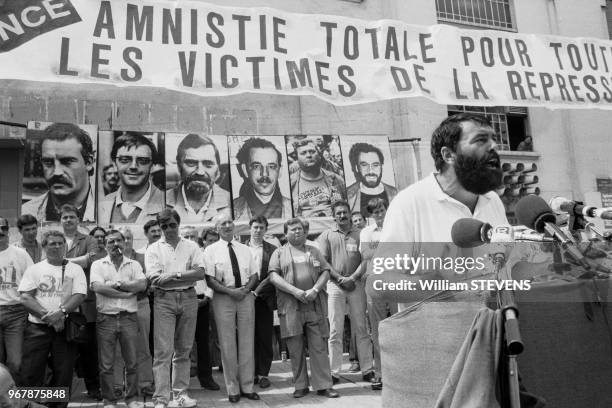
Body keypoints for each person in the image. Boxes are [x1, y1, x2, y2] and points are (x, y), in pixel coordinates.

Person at [367, 113, 508, 305]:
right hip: (438, 333)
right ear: (448, 155)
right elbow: (380, 283)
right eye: (481, 140)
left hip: (496, 329)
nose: (494, 147)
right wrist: (447, 290)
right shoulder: (409, 203)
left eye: (494, 140)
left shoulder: (492, 200)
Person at [268, 218, 339, 399]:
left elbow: (325, 271)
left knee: (319, 346)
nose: (297, 232)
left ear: (305, 232)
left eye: (300, 229)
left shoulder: (314, 250)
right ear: (285, 234)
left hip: (313, 304)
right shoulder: (278, 253)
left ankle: (323, 385)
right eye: (293, 230)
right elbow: (273, 277)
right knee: (295, 347)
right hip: (291, 306)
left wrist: (315, 290)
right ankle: (300, 385)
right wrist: (295, 291)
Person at [19, 231, 87, 408]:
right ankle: (32, 405)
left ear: (65, 245)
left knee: (63, 373)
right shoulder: (35, 269)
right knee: (31, 372)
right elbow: (25, 297)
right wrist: (48, 317)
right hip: (37, 329)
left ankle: (56, 406)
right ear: (44, 247)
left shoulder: (75, 269)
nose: (57, 246)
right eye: (52, 243)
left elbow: (79, 295)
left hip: (65, 328)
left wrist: (61, 312)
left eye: (60, 243)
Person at [145, 209, 204, 408]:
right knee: (163, 352)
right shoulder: (154, 249)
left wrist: (173, 276)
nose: (169, 229)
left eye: (172, 225)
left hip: (188, 297)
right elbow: (154, 278)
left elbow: (200, 273)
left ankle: (180, 395)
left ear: (178, 224)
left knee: (184, 350)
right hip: (164, 300)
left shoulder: (191, 245)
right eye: (164, 226)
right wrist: (184, 274)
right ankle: (161, 398)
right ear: (160, 228)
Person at [203, 212, 259, 403]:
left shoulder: (245, 249)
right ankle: (233, 389)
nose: (227, 225)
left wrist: (245, 291)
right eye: (223, 223)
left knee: (246, 341)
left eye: (229, 222)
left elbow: (254, 275)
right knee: (227, 343)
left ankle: (248, 386)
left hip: (245, 295)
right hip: (223, 297)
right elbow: (209, 279)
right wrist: (230, 292)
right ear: (217, 228)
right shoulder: (210, 251)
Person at [317, 201, 374, 384]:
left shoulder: (360, 234)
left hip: (356, 285)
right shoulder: (326, 235)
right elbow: (323, 262)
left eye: (345, 212)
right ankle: (334, 372)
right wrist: (340, 279)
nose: (342, 216)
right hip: (335, 286)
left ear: (350, 214)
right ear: (334, 216)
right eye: (338, 213)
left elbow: (366, 259)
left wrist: (353, 278)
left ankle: (367, 369)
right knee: (335, 330)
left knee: (361, 328)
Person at [90, 230, 147, 408]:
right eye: (111, 242)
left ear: (124, 243)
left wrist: (117, 284)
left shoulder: (134, 264)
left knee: (132, 362)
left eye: (118, 241)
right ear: (105, 245)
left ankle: (131, 399)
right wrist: (126, 294)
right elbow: (98, 287)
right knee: (106, 364)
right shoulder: (98, 264)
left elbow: (142, 285)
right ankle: (109, 400)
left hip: (128, 317)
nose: (115, 245)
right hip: (105, 319)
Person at [59, 204, 101, 400]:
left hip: (85, 303)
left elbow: (91, 261)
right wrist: (79, 259)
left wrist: (62, 261)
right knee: (62, 352)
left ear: (78, 220)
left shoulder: (89, 239)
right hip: (60, 302)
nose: (68, 220)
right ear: (61, 220)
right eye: (65, 217)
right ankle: (62, 392)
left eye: (72, 217)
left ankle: (93, 388)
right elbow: (46, 260)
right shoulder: (55, 239)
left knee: (89, 350)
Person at [22, 123, 96, 222]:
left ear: (88, 162)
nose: (57, 172)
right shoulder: (27, 213)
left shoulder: (108, 211)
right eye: (48, 162)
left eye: (67, 161)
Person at [113, 226, 154, 398]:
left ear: (132, 239)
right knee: (117, 347)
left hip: (140, 304)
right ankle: (117, 385)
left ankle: (145, 383)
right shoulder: (110, 259)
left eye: (128, 238)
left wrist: (120, 286)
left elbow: (146, 284)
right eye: (121, 238)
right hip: (116, 307)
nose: (125, 241)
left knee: (143, 345)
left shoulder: (143, 258)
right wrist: (132, 286)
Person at [359, 198, 395, 390]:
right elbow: (365, 254)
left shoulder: (396, 226)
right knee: (378, 329)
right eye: (376, 212)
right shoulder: (366, 232)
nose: (380, 214)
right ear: (371, 215)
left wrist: (378, 249)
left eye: (382, 210)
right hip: (375, 282)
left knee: (400, 325)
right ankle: (380, 374)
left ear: (386, 209)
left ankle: (399, 372)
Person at [99, 133, 165, 224]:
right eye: (125, 160)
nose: (133, 166)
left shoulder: (168, 204)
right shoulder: (102, 203)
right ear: (114, 163)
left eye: (142, 161)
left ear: (152, 165)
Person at [167, 134, 230, 223]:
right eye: (191, 163)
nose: (200, 172)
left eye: (208, 164)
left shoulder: (233, 202)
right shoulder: (162, 201)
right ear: (178, 167)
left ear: (218, 170)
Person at [0, 217, 34, 383]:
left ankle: (15, 399)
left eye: (2, 230)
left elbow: (33, 281)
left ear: (8, 230)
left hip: (16, 312)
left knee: (15, 361)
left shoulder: (20, 254)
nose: (0, 233)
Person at [246, 216, 278, 389]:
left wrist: (256, 292)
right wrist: (246, 291)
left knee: (265, 337)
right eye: (255, 227)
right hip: (244, 298)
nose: (258, 230)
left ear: (266, 229)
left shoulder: (272, 250)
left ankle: (263, 373)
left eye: (261, 227)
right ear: (249, 228)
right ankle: (250, 373)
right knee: (247, 337)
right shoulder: (241, 248)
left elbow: (272, 275)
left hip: (264, 299)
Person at [233, 138, 291, 221]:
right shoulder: (232, 209)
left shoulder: (294, 206)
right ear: (245, 170)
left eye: (271, 167)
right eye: (256, 166)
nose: (264, 174)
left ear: (280, 171)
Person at [290, 139, 346, 217]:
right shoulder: (290, 184)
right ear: (297, 159)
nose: (309, 155)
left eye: (312, 152)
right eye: (303, 153)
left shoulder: (336, 180)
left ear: (319, 155)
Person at [346, 143, 398, 216]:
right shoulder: (348, 194)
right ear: (357, 168)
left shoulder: (394, 193)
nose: (370, 171)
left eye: (375, 165)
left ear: (381, 167)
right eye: (364, 165)